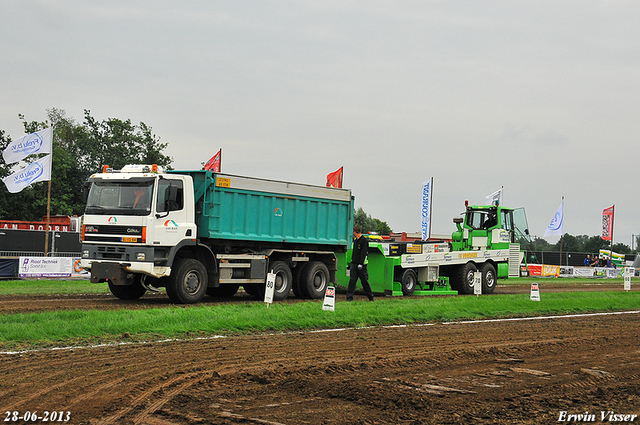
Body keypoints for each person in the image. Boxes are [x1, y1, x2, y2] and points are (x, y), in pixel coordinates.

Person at [346, 226, 375, 302]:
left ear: (355, 232)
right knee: (352, 281)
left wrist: (361, 263)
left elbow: (364, 253)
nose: (353, 233)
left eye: (353, 232)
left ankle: (371, 297)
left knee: (364, 282)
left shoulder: (364, 241)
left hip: (361, 265)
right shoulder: (356, 241)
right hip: (354, 264)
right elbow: (354, 253)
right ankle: (349, 298)